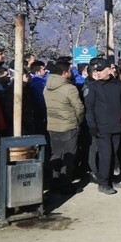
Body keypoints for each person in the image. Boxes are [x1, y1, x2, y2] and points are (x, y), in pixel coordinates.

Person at [83, 58, 121, 195]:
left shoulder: (119, 85)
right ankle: (103, 183)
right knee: (106, 155)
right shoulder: (93, 87)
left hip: (116, 126)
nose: (98, 73)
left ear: (109, 70)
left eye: (100, 70)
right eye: (96, 71)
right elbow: (89, 109)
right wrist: (92, 126)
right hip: (101, 128)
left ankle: (110, 179)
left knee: (113, 154)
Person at [44, 61, 85, 195]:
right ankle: (66, 185)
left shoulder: (47, 87)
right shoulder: (69, 88)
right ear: (64, 73)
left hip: (52, 125)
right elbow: (79, 108)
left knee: (56, 155)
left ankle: (54, 182)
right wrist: (79, 121)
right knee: (69, 156)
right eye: (70, 70)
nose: (71, 73)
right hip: (68, 126)